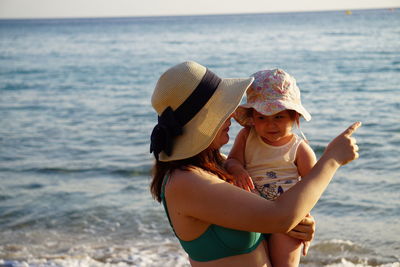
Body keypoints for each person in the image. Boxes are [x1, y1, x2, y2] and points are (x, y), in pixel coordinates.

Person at [149, 61, 360, 267]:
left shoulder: (217, 165)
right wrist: (332, 159)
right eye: (221, 109)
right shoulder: (185, 181)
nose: (231, 115)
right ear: (201, 120)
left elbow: (278, 214)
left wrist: (300, 222)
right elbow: (279, 217)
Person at [225, 69, 316, 267]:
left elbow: (313, 186)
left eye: (278, 117)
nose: (270, 125)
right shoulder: (247, 137)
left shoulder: (299, 149)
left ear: (294, 117)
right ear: (252, 118)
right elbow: (231, 161)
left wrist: (305, 213)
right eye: (262, 118)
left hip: (286, 217)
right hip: (252, 209)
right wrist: (238, 169)